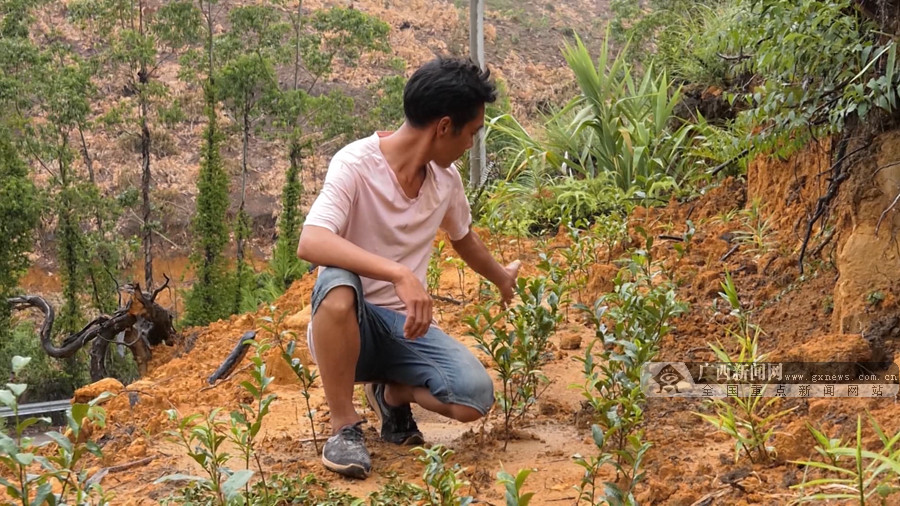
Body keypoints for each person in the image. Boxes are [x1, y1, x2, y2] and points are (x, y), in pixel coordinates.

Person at [296, 56, 520, 480]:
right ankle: (343, 427)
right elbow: (312, 240)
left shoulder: (446, 181)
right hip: (347, 331)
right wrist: (399, 273)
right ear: (444, 126)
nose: (471, 144)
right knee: (338, 282)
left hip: (404, 331)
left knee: (473, 398)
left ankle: (392, 396)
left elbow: (464, 238)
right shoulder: (355, 164)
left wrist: (501, 277)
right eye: (471, 133)